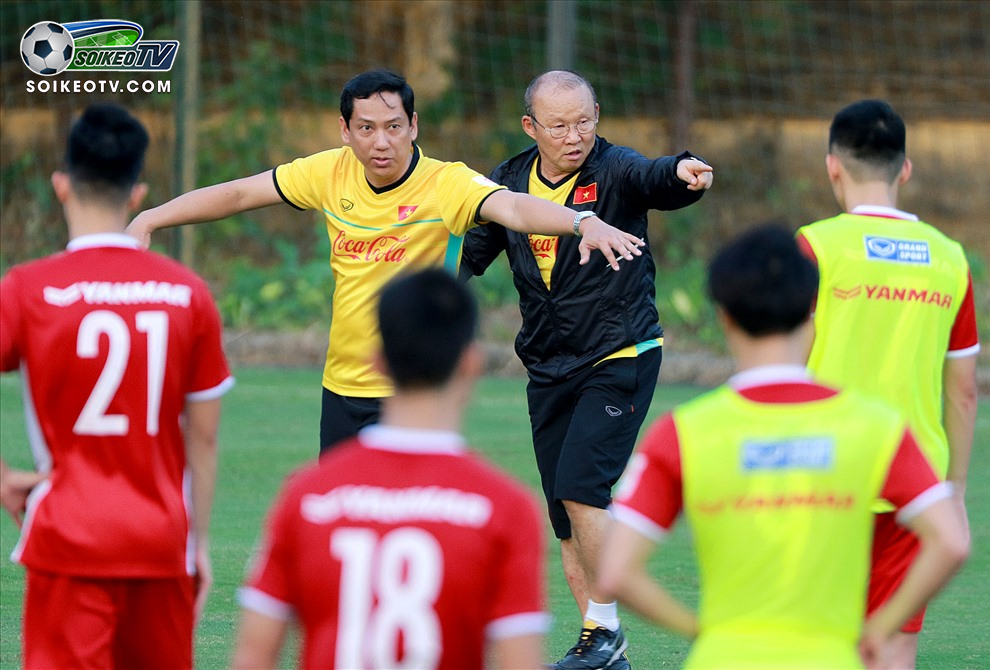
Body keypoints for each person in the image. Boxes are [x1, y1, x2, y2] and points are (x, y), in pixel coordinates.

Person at [126, 68, 644, 454]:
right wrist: (150, 218)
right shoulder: (328, 173)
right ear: (345, 131)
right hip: (343, 384)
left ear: (414, 125)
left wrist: (581, 221)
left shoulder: (447, 183)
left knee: (416, 524)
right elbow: (239, 194)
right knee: (341, 531)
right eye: (367, 128)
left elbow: (510, 205)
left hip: (415, 385)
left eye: (394, 126)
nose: (382, 142)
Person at [597, 224, 969, 669]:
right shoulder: (877, 428)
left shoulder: (683, 432)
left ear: (724, 317)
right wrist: (881, 628)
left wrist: (701, 630)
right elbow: (951, 542)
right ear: (811, 312)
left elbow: (615, 571)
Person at [459, 69, 713, 669]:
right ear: (531, 127)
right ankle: (602, 648)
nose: (575, 136)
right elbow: (470, 253)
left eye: (585, 121)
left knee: (581, 487)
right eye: (559, 125)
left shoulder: (615, 168)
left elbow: (656, 177)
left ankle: (606, 631)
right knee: (566, 514)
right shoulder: (510, 181)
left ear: (596, 115)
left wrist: (683, 173)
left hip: (620, 353)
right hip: (548, 367)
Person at [0, 103, 234, 670]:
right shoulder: (188, 293)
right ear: (138, 194)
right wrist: (196, 543)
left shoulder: (29, 289)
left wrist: (4, 479)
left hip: (68, 538)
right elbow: (201, 440)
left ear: (61, 187)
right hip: (161, 541)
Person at [231, 268, 549, 670]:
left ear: (378, 362)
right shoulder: (506, 509)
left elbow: (253, 655)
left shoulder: (307, 496)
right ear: (471, 363)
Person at [796, 99, 980, 668]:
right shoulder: (951, 260)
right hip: (915, 480)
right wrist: (952, 491)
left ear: (832, 166)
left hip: (822, 472)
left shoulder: (814, 247)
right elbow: (965, 389)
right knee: (895, 646)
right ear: (905, 168)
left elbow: (783, 366)